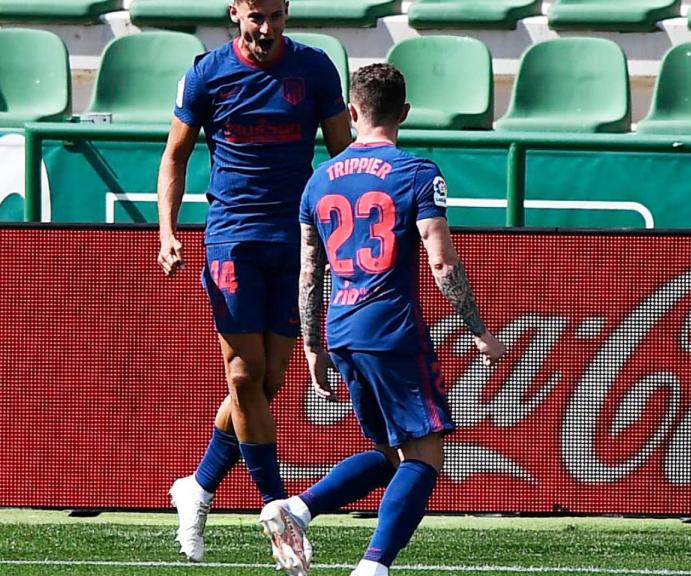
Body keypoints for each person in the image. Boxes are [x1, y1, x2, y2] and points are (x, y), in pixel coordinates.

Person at [259, 62, 506, 576]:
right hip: (391, 329)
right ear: (405, 113)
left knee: (392, 454)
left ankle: (298, 508)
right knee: (426, 454)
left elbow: (309, 272)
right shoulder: (417, 172)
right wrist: (478, 330)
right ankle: (373, 567)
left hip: (342, 329)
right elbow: (441, 261)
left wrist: (312, 346)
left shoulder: (319, 179)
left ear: (352, 112)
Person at [155, 0, 353, 567]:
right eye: (254, 16)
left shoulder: (315, 70)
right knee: (243, 374)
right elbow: (175, 156)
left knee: (267, 382)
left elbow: (342, 156)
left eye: (274, 16)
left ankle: (198, 484)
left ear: (286, 12)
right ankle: (274, 508)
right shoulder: (206, 72)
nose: (265, 28)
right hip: (231, 240)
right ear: (234, 12)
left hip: (296, 241)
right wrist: (167, 231)